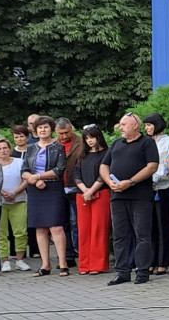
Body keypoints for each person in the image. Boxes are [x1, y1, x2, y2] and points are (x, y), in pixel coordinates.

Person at [99, 112, 159, 285]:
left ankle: (142, 271)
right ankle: (122, 271)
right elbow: (104, 165)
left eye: (124, 124)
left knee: (142, 234)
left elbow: (152, 166)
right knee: (120, 235)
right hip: (117, 196)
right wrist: (109, 181)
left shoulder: (147, 143)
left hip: (140, 196)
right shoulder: (117, 143)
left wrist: (130, 182)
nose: (121, 128)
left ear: (135, 125)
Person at [21, 116, 69, 277]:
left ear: (51, 129)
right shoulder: (31, 148)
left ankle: (63, 264)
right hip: (35, 190)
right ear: (35, 130)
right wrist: (34, 180)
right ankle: (45, 265)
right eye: (40, 128)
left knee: (56, 226)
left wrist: (39, 177)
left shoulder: (58, 147)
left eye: (46, 127)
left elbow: (59, 169)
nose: (43, 130)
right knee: (40, 228)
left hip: (53, 189)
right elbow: (24, 170)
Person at [68, 125, 111, 274]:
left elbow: (104, 176)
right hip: (83, 195)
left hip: (101, 194)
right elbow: (76, 175)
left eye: (92, 137)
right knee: (84, 230)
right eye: (86, 138)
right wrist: (85, 191)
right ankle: (85, 265)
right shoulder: (82, 155)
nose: (89, 141)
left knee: (99, 230)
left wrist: (91, 190)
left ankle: (98, 265)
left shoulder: (106, 153)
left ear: (98, 137)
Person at [142, 113, 169, 276]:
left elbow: (168, 164)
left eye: (149, 125)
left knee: (163, 225)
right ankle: (151, 260)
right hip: (147, 188)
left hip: (163, 186)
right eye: (145, 125)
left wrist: (156, 177)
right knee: (150, 227)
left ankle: (163, 261)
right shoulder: (146, 142)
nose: (147, 128)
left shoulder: (168, 141)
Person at [0, 138, 29, 272]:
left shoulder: (20, 162)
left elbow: (26, 179)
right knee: (1, 233)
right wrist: (3, 193)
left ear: (10, 149)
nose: (2, 151)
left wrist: (15, 192)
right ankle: (5, 261)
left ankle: (20, 260)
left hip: (19, 200)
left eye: (5, 148)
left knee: (21, 231)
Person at [55, 118, 79, 270]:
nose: (63, 136)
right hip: (57, 188)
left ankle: (80, 252)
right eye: (60, 133)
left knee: (76, 221)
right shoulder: (53, 144)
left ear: (72, 129)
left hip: (76, 186)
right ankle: (68, 256)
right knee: (62, 223)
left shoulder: (81, 142)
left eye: (66, 133)